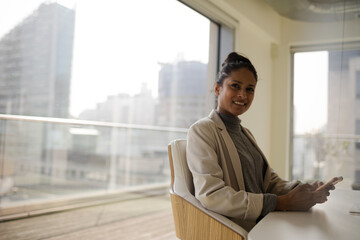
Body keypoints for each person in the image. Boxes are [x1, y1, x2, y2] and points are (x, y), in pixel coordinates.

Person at [186, 52, 339, 232]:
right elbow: (211, 195)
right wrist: (282, 202)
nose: (243, 95)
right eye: (235, 86)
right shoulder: (203, 130)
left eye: (250, 89)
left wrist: (303, 189)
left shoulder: (245, 134)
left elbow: (268, 182)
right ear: (218, 89)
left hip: (266, 221)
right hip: (237, 229)